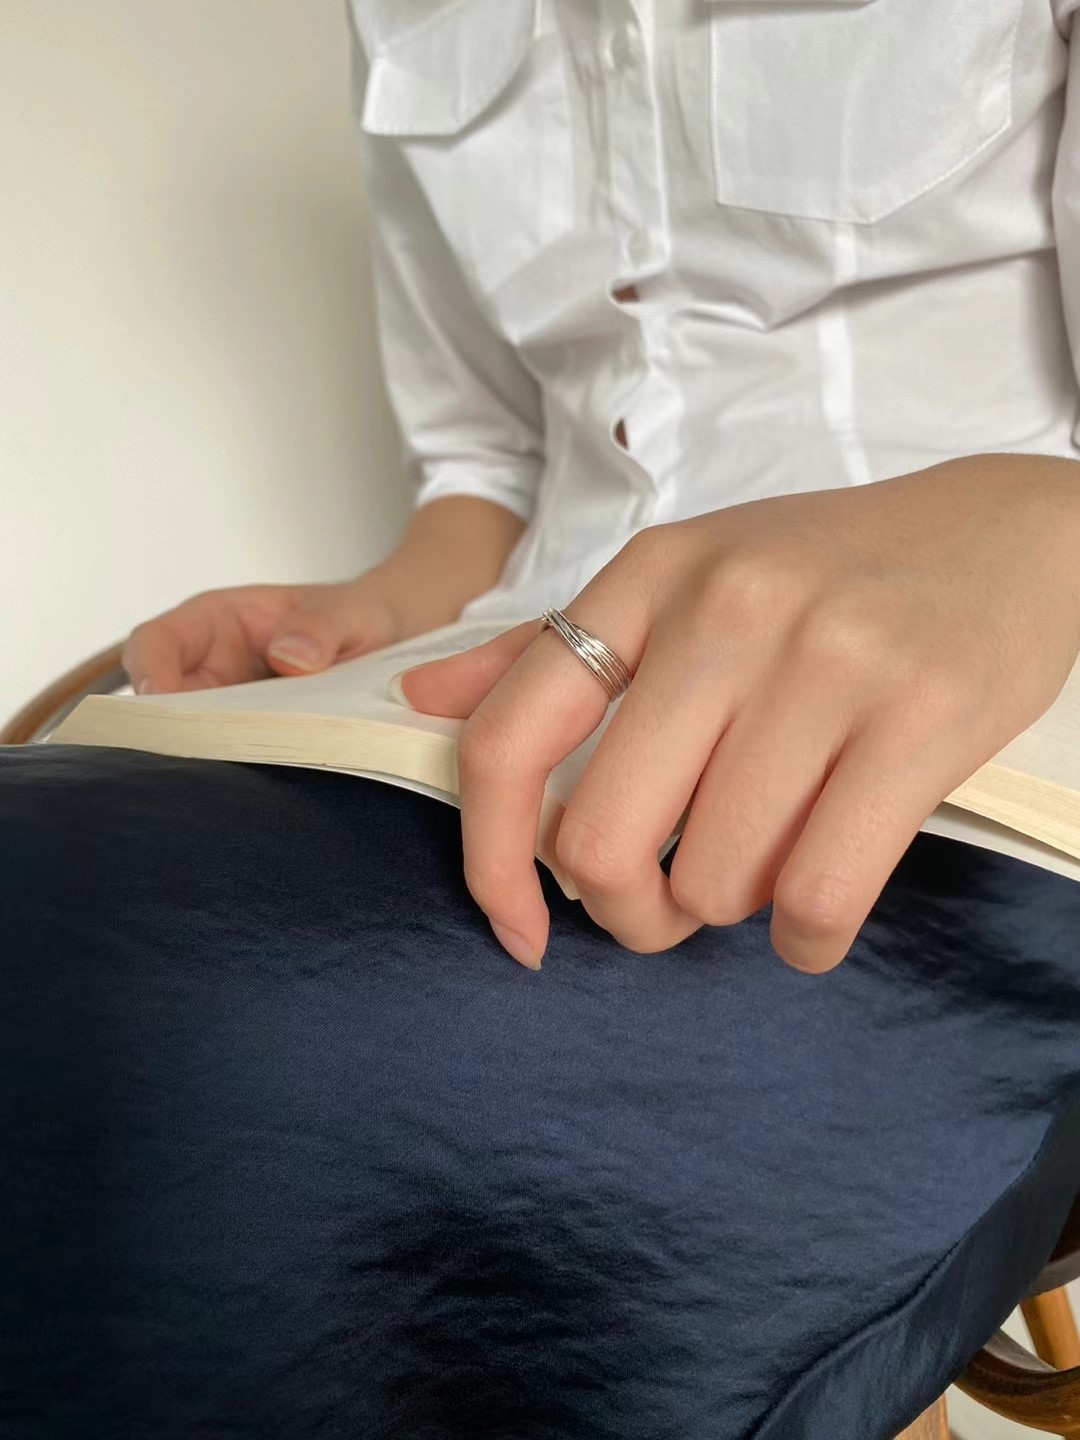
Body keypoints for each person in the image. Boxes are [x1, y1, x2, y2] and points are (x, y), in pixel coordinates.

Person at [5, 3, 1080, 1437]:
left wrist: (1043, 535)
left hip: (982, 718)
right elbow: (490, 467)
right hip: (508, 690)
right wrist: (376, 610)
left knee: (214, 1040)